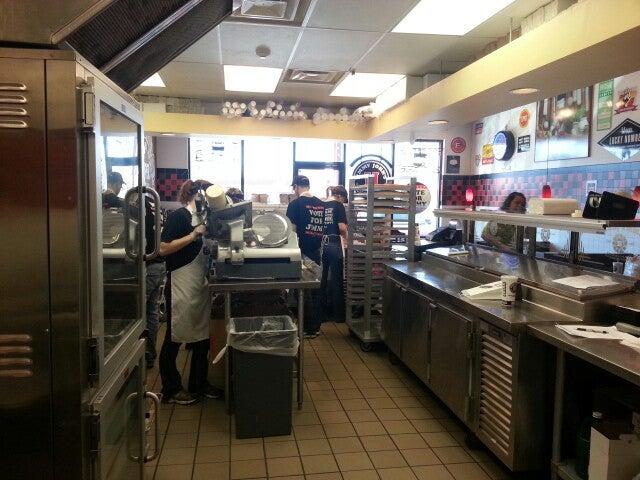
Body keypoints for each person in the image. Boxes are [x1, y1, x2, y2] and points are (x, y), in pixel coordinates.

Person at [159, 179, 221, 405]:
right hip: (180, 284)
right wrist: (193, 235)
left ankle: (199, 383)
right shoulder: (180, 217)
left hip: (198, 285)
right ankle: (171, 389)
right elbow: (163, 248)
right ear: (198, 195)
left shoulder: (203, 219)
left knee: (201, 338)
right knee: (174, 337)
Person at [286, 175, 325, 338]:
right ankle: (316, 326)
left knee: (303, 292)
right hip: (316, 251)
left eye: (293, 188)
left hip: (301, 253)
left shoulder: (295, 204)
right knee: (315, 289)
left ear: (296, 186)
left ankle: (308, 329)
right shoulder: (321, 204)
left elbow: (291, 231)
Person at [320, 186, 348, 324]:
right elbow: (342, 227)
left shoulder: (321, 204)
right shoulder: (338, 205)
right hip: (334, 243)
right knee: (337, 280)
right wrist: (347, 238)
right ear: (340, 196)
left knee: (322, 280)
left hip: (322, 244)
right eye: (344, 200)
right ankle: (338, 316)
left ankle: (321, 316)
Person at [144, 194, 165, 368]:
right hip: (158, 265)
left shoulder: (136, 212)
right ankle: (149, 354)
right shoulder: (153, 210)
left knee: (137, 311)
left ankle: (140, 354)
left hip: (148, 266)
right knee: (151, 312)